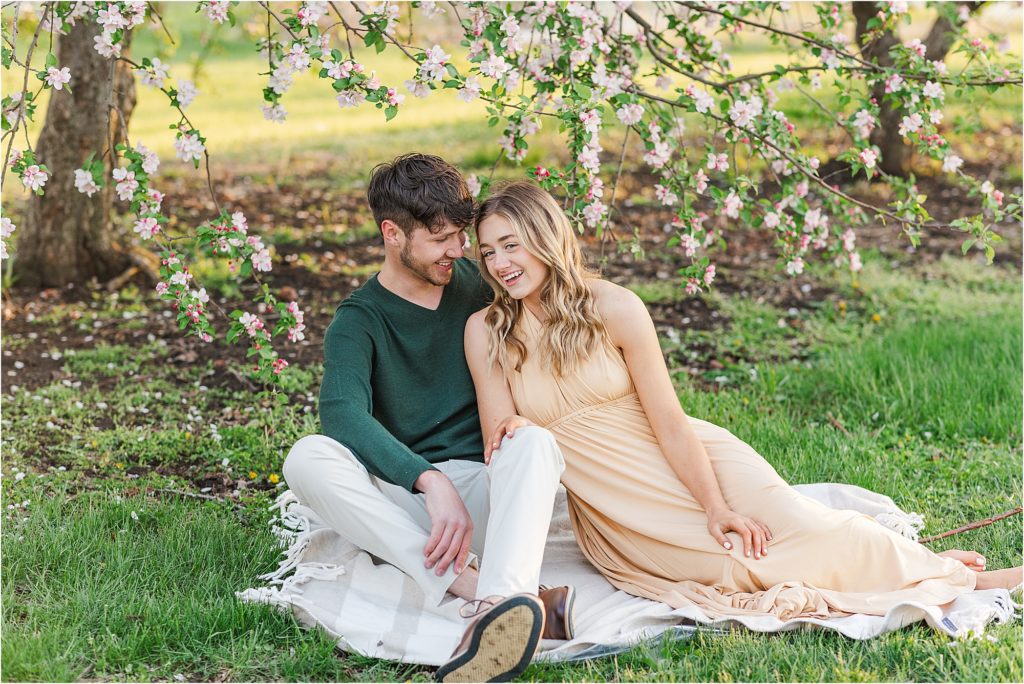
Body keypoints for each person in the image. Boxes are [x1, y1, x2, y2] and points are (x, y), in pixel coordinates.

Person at [465, 180, 1023, 623]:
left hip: (693, 461)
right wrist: (514, 419)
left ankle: (966, 579)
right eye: (488, 252)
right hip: (621, 508)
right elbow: (503, 440)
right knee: (741, 568)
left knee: (804, 528)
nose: (499, 263)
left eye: (511, 245)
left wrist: (717, 507)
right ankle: (917, 569)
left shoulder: (615, 307)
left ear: (545, 238)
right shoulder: (485, 330)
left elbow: (670, 421)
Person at [283, 156, 575, 683]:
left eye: (462, 235)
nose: (458, 250)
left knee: (533, 444)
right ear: (393, 234)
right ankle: (497, 597)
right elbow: (341, 414)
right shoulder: (359, 320)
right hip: (413, 509)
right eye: (441, 238)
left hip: (491, 492)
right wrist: (428, 479)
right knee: (307, 457)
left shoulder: (481, 283)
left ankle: (493, 607)